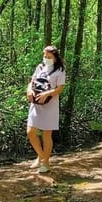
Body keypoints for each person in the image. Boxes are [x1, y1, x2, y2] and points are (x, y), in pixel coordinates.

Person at [26, 45, 66, 173]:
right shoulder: (40, 67)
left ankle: (46, 163)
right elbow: (31, 81)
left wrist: (47, 94)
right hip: (36, 104)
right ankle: (41, 156)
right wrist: (29, 90)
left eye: (49, 56)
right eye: (45, 56)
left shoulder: (60, 70)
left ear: (55, 57)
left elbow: (60, 89)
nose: (46, 58)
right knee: (30, 132)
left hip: (50, 106)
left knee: (46, 135)